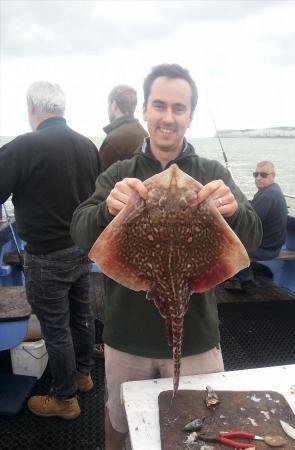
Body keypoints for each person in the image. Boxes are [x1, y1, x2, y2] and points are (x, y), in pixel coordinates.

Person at [70, 63, 262, 450]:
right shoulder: (119, 174)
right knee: (119, 422)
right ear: (144, 110)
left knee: (204, 428)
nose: (168, 117)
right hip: (127, 338)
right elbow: (81, 230)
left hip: (198, 341)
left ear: (190, 116)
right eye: (159, 105)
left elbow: (253, 237)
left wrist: (235, 212)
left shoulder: (211, 173)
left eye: (179, 108)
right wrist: (109, 208)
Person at [0, 81, 101, 419]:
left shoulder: (23, 147)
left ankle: (64, 398)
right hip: (81, 249)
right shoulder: (88, 145)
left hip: (45, 256)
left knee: (56, 329)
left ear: (32, 107)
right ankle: (83, 374)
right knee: (81, 316)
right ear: (62, 107)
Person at [225, 160, 288, 289]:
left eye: (263, 175)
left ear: (273, 176)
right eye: (256, 174)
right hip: (275, 246)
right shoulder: (274, 190)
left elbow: (248, 224)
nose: (258, 178)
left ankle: (246, 279)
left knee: (228, 248)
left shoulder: (267, 196)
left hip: (267, 249)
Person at [99, 84, 148, 171]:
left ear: (113, 104)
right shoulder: (144, 135)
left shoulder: (113, 140)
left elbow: (100, 180)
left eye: (108, 104)